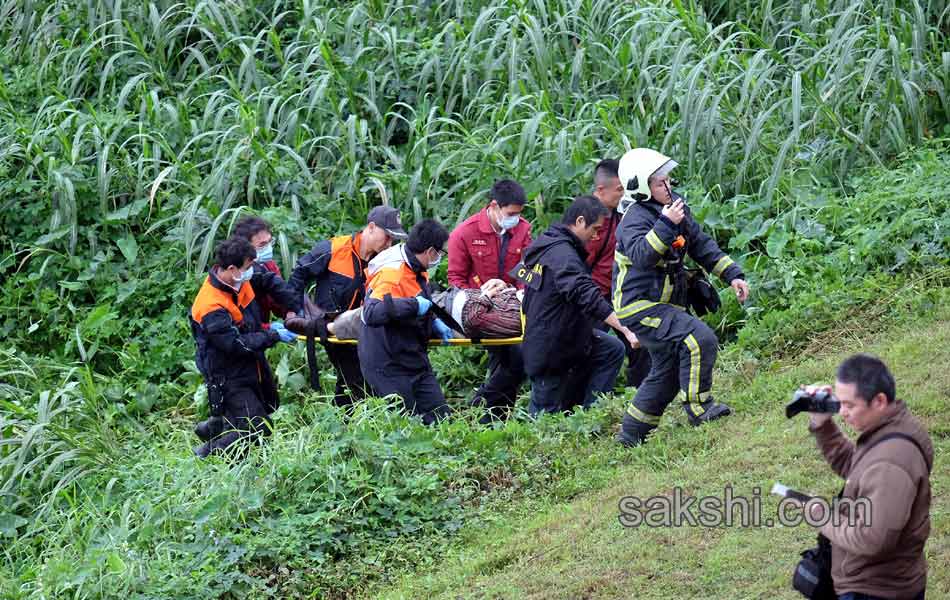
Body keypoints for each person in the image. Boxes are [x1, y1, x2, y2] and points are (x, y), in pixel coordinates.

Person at [612, 148, 750, 446]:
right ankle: (700, 409)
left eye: (667, 181)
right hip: (638, 306)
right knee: (700, 339)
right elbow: (642, 255)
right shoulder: (633, 219)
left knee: (670, 369)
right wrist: (666, 223)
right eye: (661, 183)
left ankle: (631, 435)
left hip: (664, 305)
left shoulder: (674, 208)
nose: (668, 187)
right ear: (642, 186)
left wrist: (733, 275)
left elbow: (701, 245)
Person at [804, 354, 932, 600]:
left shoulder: (891, 463)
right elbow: (860, 469)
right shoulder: (896, 427)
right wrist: (822, 424)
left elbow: (872, 540)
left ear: (879, 401)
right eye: (839, 403)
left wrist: (822, 515)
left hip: (875, 590)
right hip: (885, 580)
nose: (843, 413)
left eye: (850, 405)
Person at [520, 195, 640, 416]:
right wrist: (625, 328)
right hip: (549, 348)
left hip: (566, 336)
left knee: (611, 349)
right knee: (544, 421)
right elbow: (587, 295)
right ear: (580, 221)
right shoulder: (562, 255)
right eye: (594, 229)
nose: (596, 235)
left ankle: (590, 417)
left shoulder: (548, 243)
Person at [189, 237, 301, 458]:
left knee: (268, 406)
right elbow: (235, 344)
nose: (252, 271)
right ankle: (209, 451)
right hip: (227, 373)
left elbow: (250, 316)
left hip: (251, 363)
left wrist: (285, 314)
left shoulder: (238, 282)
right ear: (232, 269)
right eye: (248, 267)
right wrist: (271, 335)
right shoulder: (211, 305)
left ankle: (217, 431)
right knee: (256, 426)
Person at [289, 206, 406, 405]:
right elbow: (299, 275)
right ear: (370, 227)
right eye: (386, 236)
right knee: (357, 379)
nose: (389, 243)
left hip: (363, 328)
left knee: (353, 381)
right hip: (330, 326)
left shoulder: (386, 260)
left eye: (393, 239)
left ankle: (342, 424)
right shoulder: (333, 249)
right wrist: (294, 310)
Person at [447, 179, 532, 421]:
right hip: (480, 312)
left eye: (518, 213)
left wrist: (513, 291)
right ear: (494, 206)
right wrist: (482, 297)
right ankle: (487, 412)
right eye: (511, 213)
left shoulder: (523, 230)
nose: (515, 218)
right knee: (513, 359)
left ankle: (488, 416)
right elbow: (456, 280)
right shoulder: (464, 233)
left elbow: (529, 271)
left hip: (513, 307)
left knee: (515, 359)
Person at [358, 219, 455, 425]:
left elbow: (419, 301)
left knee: (442, 420)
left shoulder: (418, 269)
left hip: (413, 357)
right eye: (441, 253)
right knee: (406, 427)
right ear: (430, 251)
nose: (440, 257)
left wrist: (433, 320)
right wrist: (413, 305)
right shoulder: (392, 273)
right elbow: (371, 313)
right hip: (387, 363)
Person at [584, 159, 652, 388]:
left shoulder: (623, 211)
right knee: (590, 350)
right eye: (619, 190)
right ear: (601, 190)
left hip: (621, 291)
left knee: (640, 343)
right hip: (593, 297)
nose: (624, 194)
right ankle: (589, 405)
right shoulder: (586, 217)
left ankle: (640, 394)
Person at [233, 215, 288, 326]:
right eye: (262, 244)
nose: (268, 248)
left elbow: (278, 298)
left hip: (261, 329)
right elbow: (239, 323)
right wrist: (269, 330)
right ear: (245, 247)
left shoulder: (269, 265)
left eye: (269, 242)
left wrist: (293, 312)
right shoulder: (235, 275)